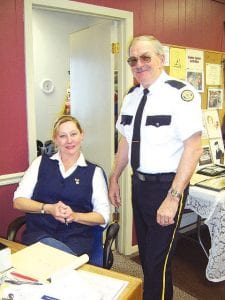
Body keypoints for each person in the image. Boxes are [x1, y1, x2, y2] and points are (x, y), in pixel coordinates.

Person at [109, 35, 203, 300]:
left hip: (167, 187)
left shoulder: (180, 94)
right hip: (139, 186)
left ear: (161, 59)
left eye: (145, 57)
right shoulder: (131, 96)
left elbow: (193, 148)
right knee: (152, 258)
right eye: (133, 59)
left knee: (155, 261)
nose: (139, 64)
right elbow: (126, 140)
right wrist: (114, 177)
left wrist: (173, 197)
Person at [13, 115, 110, 263]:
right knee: (49, 257)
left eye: (73, 134)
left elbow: (103, 216)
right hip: (40, 236)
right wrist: (47, 208)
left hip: (76, 241)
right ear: (56, 139)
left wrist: (75, 216)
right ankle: (69, 266)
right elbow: (18, 201)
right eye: (63, 136)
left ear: (81, 135)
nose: (69, 140)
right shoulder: (40, 163)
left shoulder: (94, 172)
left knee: (48, 264)